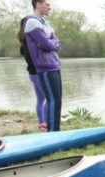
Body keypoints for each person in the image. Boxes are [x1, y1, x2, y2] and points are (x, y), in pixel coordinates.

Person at [23, 0, 62, 132]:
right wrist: (51, 44)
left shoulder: (46, 23)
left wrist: (51, 44)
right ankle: (52, 133)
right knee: (52, 100)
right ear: (38, 4)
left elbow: (56, 44)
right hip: (45, 67)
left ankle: (56, 130)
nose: (50, 8)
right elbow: (46, 43)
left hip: (54, 65)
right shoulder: (32, 22)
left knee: (57, 101)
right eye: (47, 4)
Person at [18, 17, 48, 130]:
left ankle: (41, 123)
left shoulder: (23, 41)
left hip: (32, 74)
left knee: (40, 99)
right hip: (38, 73)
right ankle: (45, 122)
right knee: (50, 98)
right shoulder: (30, 42)